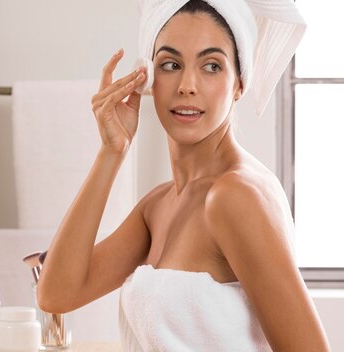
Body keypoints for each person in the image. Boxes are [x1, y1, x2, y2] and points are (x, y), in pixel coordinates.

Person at [36, 0, 331, 350]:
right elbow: (56, 294)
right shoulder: (160, 204)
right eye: (171, 64)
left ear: (240, 82)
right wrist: (112, 151)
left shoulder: (236, 195)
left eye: (211, 66)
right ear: (147, 80)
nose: (187, 85)